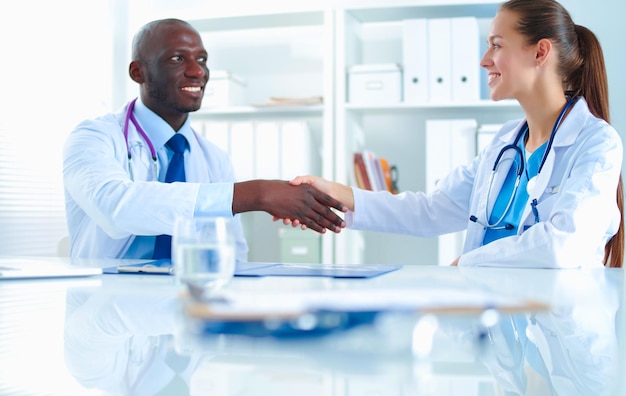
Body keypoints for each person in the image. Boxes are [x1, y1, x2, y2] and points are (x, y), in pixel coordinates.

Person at [289, 0, 624, 268]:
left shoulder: (596, 143)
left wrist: (469, 263)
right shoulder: (505, 143)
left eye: (496, 45)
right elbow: (431, 211)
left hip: (558, 334)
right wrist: (335, 192)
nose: (483, 60)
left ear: (540, 52)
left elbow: (564, 245)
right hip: (496, 331)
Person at [63, 18, 346, 261]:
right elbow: (115, 208)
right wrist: (257, 194)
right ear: (138, 72)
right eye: (177, 58)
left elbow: (232, 252)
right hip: (106, 308)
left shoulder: (214, 158)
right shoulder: (94, 137)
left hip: (190, 306)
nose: (197, 71)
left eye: (201, 59)